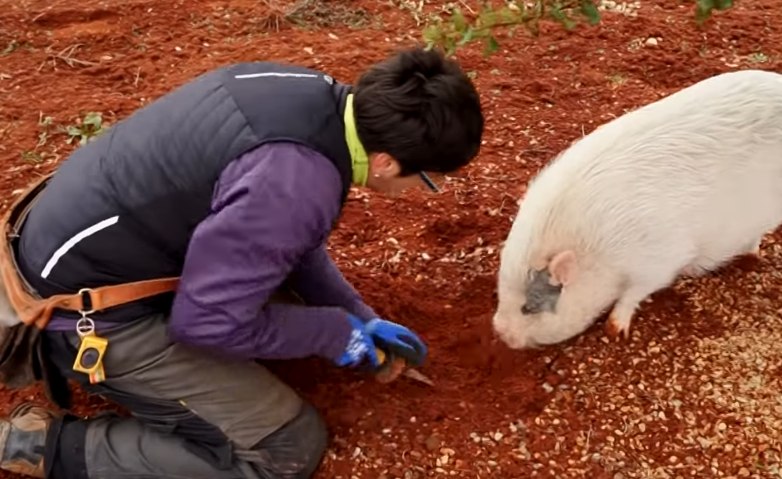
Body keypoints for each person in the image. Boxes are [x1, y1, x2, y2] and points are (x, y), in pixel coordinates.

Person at [0, 46, 484, 479]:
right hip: (85, 316)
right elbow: (206, 324)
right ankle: (42, 446)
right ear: (385, 163)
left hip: (76, 249)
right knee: (287, 448)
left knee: (277, 304)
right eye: (425, 178)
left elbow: (289, 240)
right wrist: (334, 333)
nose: (416, 191)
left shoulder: (313, 100)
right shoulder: (292, 183)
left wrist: (360, 316)